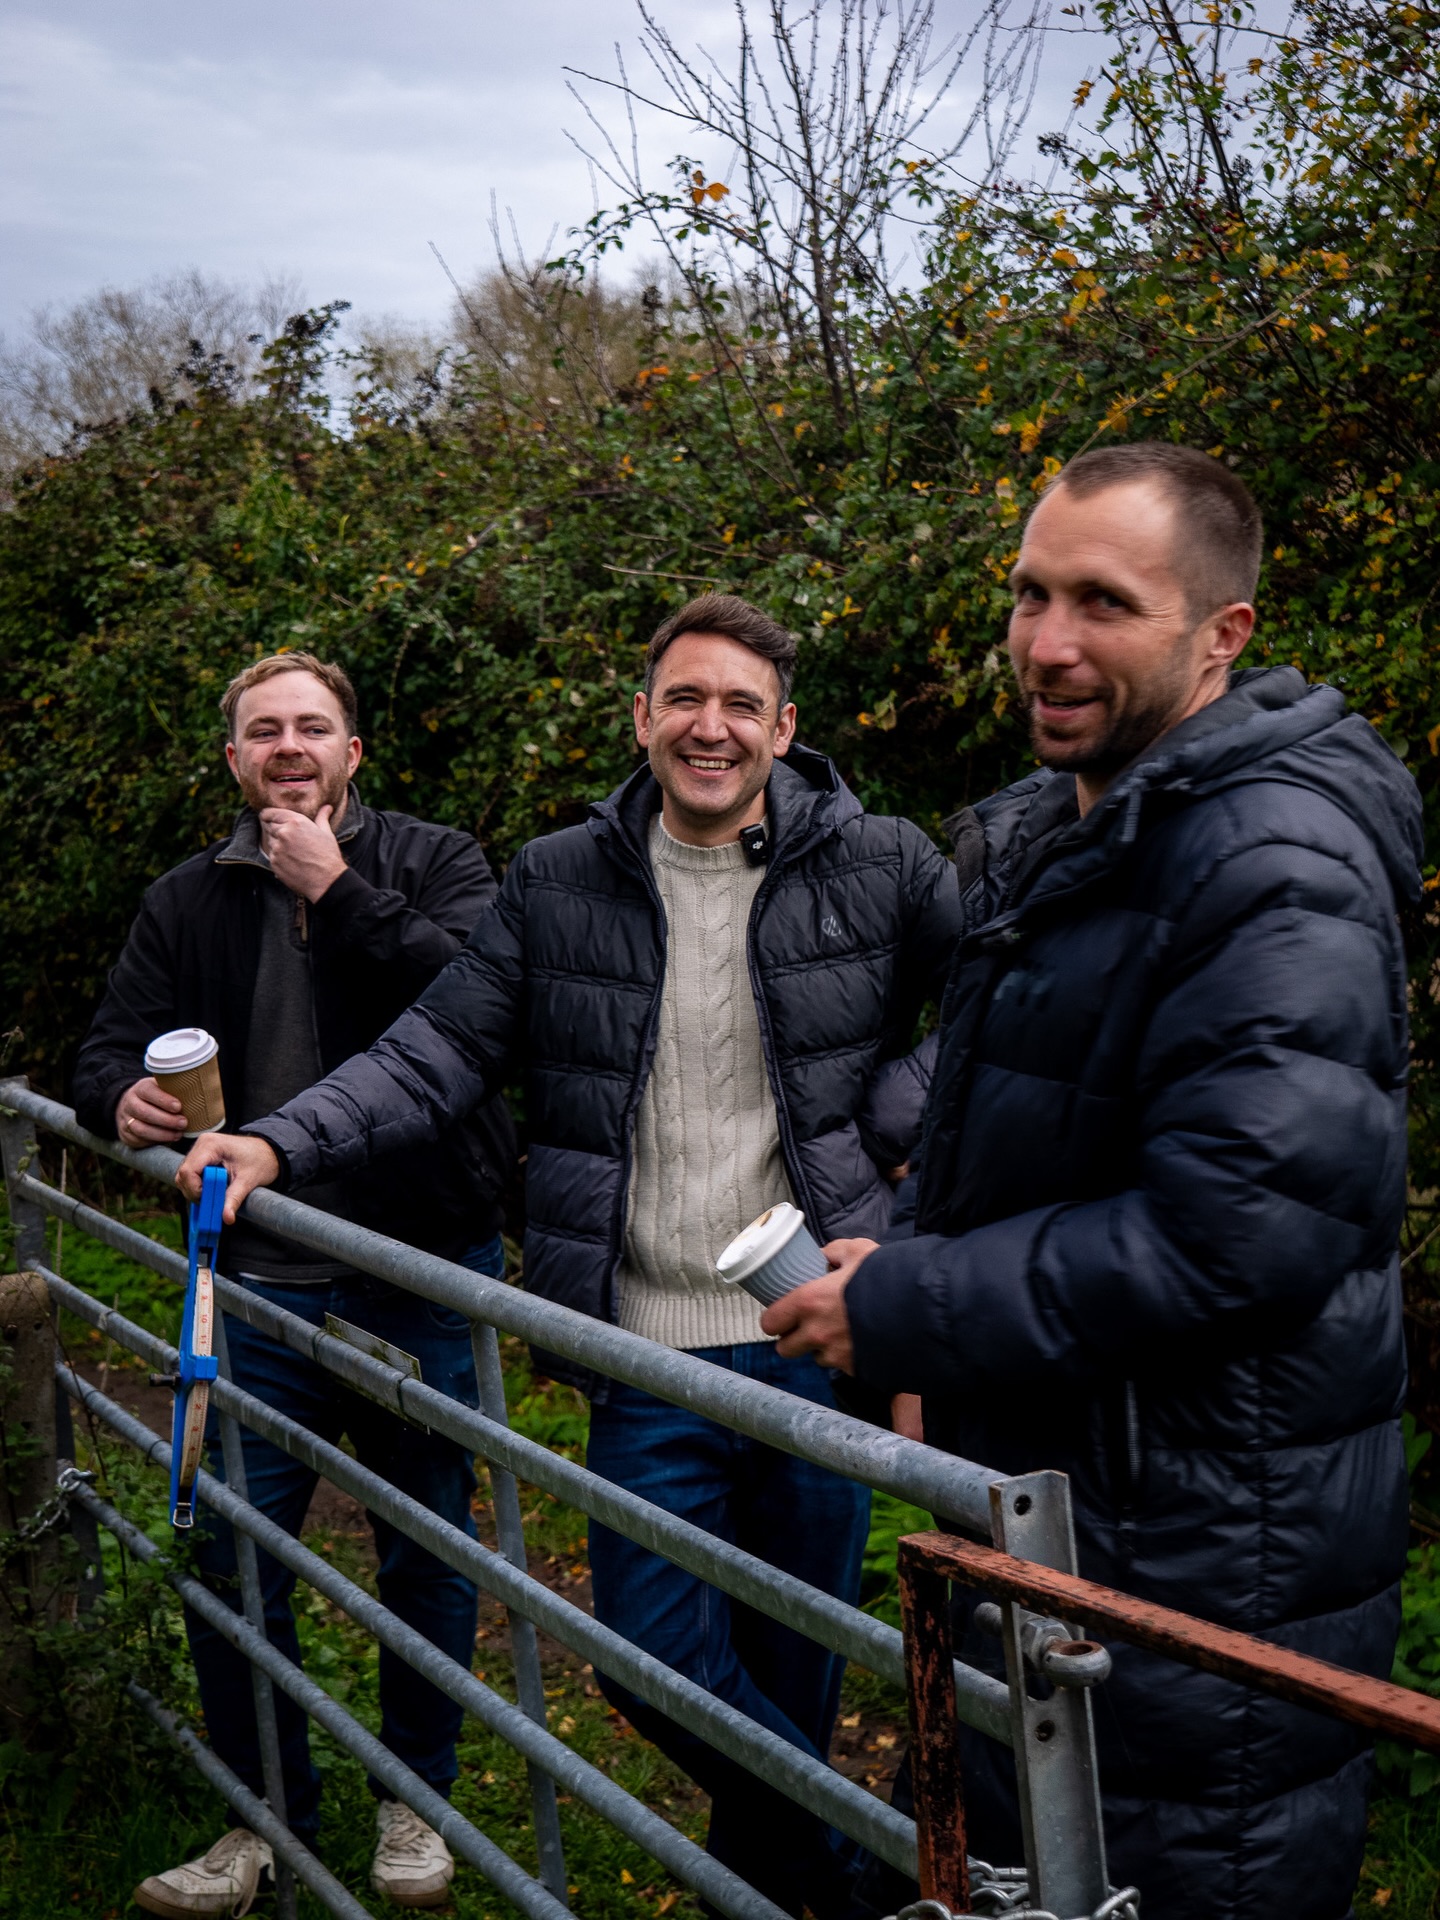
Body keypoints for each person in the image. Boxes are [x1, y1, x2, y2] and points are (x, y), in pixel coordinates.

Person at [175, 594, 963, 1919]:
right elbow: (438, 1051)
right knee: (649, 1660)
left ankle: (771, 1895)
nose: (709, 728)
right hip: (641, 1344)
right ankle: (857, 1878)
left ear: (785, 728)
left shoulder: (879, 861)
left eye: (739, 706)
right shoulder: (559, 878)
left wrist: (901, 1134)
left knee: (793, 1663)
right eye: (684, 700)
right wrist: (277, 1146)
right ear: (643, 716)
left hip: (809, 1337)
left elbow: (1002, 1008)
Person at [763, 443, 1422, 1920]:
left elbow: (1239, 1232)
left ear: (1221, 633)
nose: (1048, 645)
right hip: (1080, 1512)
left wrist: (919, 1304)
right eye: (1029, 595)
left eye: (1105, 605)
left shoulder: (1270, 859)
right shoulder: (1087, 823)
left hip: (1204, 1556)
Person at [73, 651, 517, 1914]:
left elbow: (486, 1015)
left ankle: (411, 1807)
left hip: (416, 1273)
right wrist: (124, 1099)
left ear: (353, 753)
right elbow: (104, 1045)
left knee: (423, 1547)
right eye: (262, 731)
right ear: (232, 759)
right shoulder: (187, 898)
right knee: (235, 1553)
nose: (287, 747)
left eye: (311, 728)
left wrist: (344, 892)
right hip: (255, 1284)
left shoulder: (436, 864)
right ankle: (259, 1821)